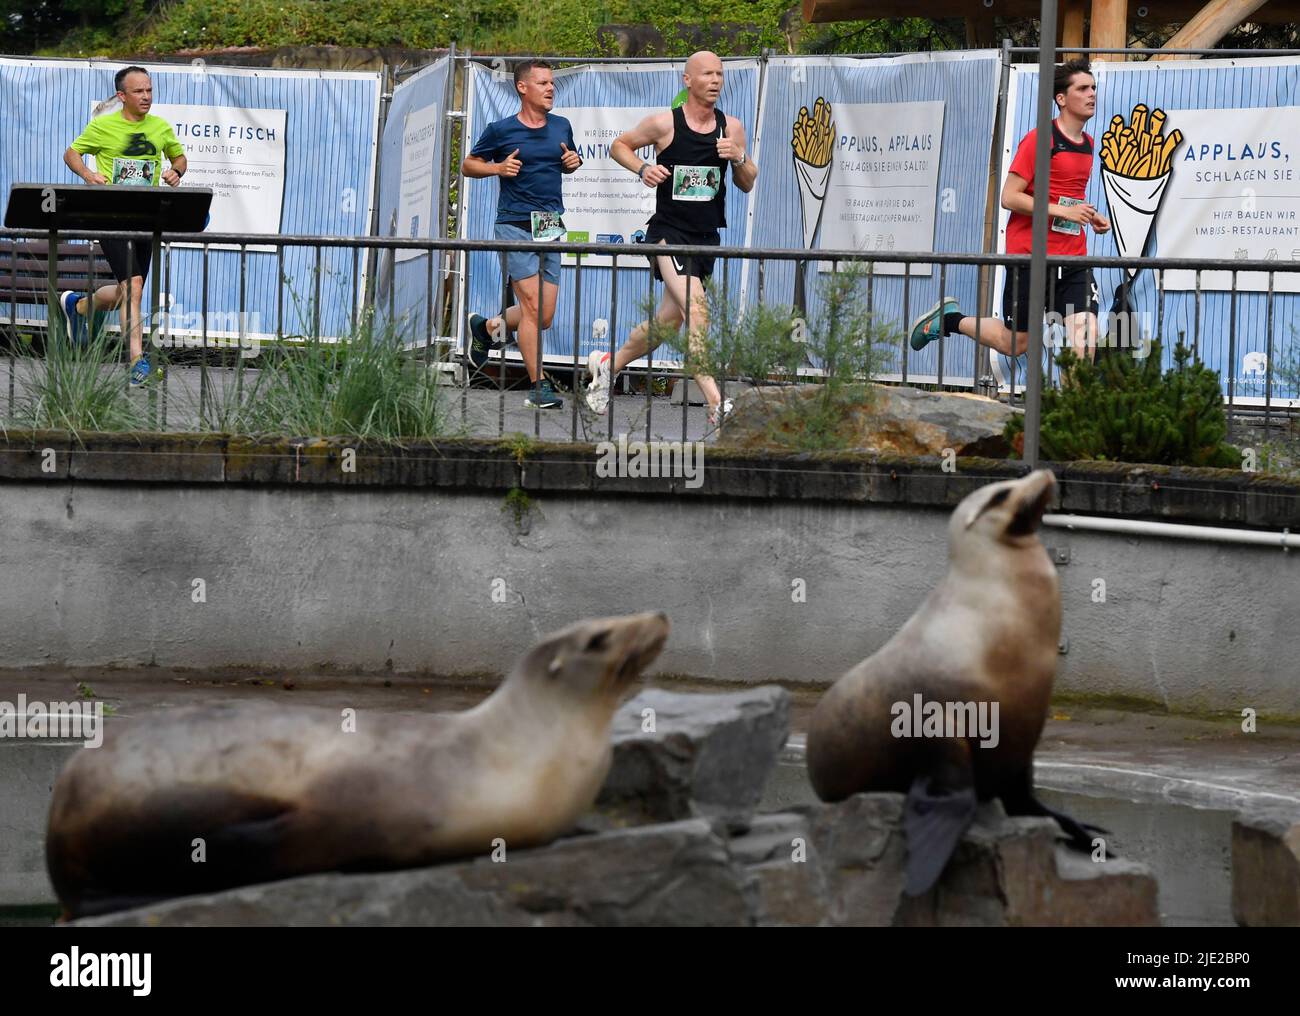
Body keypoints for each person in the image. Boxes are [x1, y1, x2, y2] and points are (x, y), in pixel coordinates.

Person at [586, 50, 758, 426]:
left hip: (706, 236)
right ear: (687, 80)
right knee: (698, 311)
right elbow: (619, 146)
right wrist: (643, 167)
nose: (715, 81)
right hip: (668, 233)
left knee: (668, 323)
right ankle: (716, 400)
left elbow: (747, 182)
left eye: (720, 74)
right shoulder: (665, 124)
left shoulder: (731, 128)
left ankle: (607, 364)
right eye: (707, 74)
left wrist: (739, 157)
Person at [909, 59, 1110, 370]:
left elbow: (1065, 197)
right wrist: (1064, 210)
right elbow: (1009, 197)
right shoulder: (1040, 139)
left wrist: (1089, 215)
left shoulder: (1088, 144)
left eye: (1093, 88)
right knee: (1015, 343)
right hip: (1030, 256)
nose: (1091, 94)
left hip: (1072, 259)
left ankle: (1074, 414)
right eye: (1082, 88)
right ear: (1061, 99)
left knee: (1085, 334)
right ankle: (950, 320)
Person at [463, 59, 582, 409]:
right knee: (531, 307)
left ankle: (487, 328)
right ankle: (538, 386)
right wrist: (498, 167)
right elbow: (469, 165)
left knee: (543, 316)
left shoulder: (562, 126)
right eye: (543, 83)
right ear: (522, 87)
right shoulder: (501, 130)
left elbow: (568, 162)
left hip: (551, 225)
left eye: (552, 84)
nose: (550, 89)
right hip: (514, 224)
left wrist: (572, 164)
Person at [60, 66, 187, 387]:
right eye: (138, 92)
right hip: (111, 216)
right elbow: (71, 154)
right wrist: (89, 176)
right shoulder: (102, 127)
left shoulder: (160, 127)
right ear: (122, 96)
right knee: (133, 287)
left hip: (146, 218)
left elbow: (179, 158)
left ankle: (79, 305)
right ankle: (135, 362)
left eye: (149, 90)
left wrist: (177, 171)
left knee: (129, 289)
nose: (146, 97)